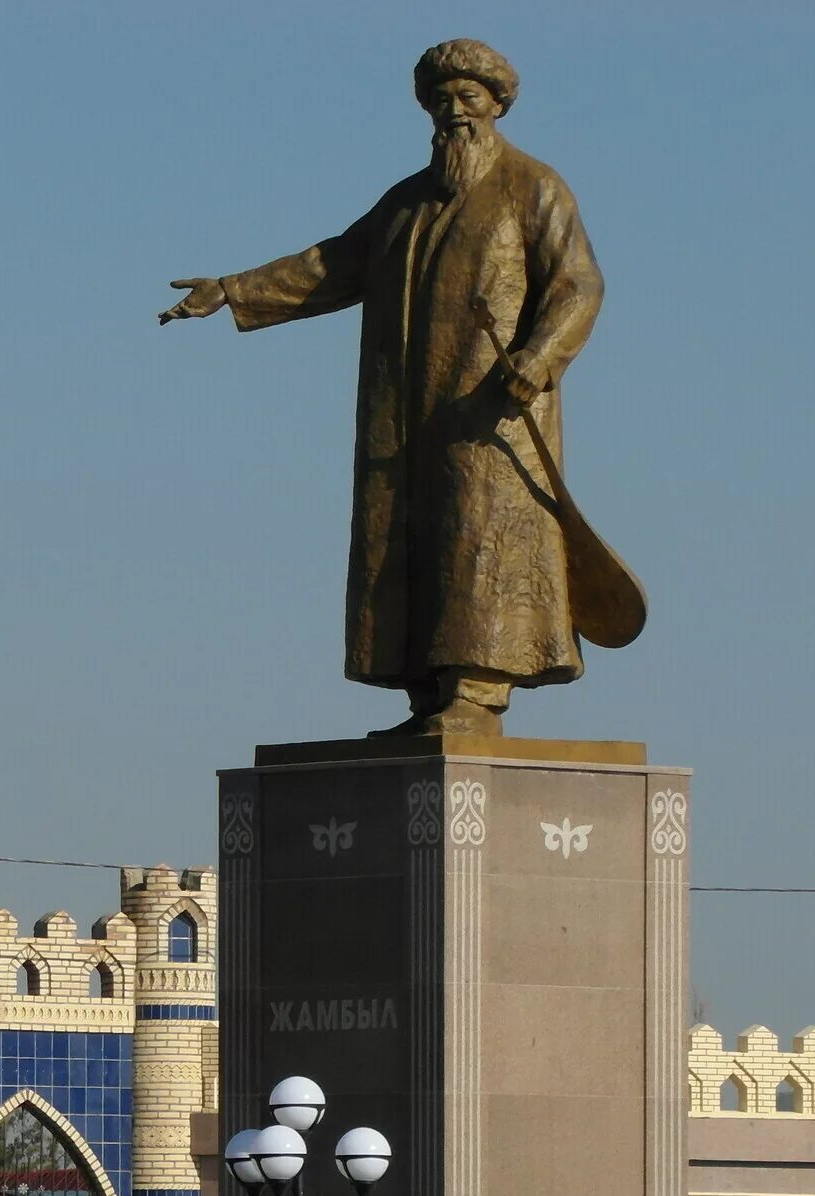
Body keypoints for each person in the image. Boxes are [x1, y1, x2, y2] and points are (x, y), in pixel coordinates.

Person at [159, 39, 613, 736]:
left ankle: (477, 686)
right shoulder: (404, 204)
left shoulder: (534, 186)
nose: (454, 111)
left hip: (490, 412)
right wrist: (232, 289)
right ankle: (429, 690)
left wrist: (538, 355)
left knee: (479, 536)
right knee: (409, 538)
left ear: (496, 105)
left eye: (469, 98)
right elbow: (332, 264)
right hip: (405, 412)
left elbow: (578, 284)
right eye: (442, 99)